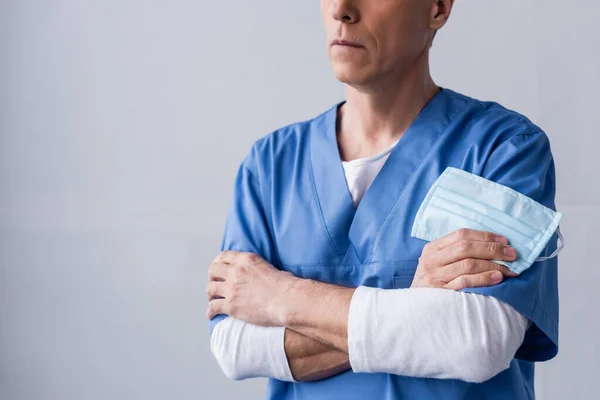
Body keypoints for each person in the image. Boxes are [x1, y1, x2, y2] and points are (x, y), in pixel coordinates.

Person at [207, 1, 560, 399]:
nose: (342, 9)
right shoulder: (271, 165)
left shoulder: (502, 149)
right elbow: (235, 348)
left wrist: (280, 296)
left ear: (438, 9)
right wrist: (414, 307)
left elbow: (476, 342)